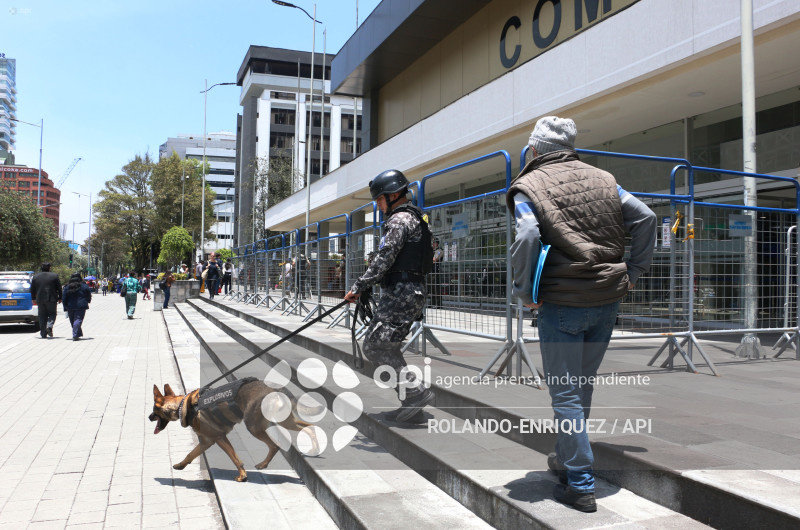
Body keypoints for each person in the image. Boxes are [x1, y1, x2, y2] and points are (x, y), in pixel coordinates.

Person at [506, 116, 657, 513]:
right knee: (581, 386)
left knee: (565, 393)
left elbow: (526, 235)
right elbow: (645, 217)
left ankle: (581, 483)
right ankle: (564, 459)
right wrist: (634, 271)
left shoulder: (529, 185)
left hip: (563, 303)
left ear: (534, 149)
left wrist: (526, 292)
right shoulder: (605, 180)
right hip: (606, 300)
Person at [345, 169, 435, 424]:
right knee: (385, 344)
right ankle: (411, 402)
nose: (378, 204)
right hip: (407, 291)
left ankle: (414, 394)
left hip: (402, 293)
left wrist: (359, 286)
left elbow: (385, 257)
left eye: (380, 199)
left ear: (394, 194)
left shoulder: (399, 220)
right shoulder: (416, 217)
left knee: (375, 345)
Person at [30, 262, 62, 338]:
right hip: (52, 299)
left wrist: (33, 299)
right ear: (49, 268)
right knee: (52, 314)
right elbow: (59, 288)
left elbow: (32, 289)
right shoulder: (54, 276)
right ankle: (49, 326)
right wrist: (60, 297)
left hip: (40, 299)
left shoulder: (35, 277)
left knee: (42, 316)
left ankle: (43, 333)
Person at [62, 273, 92, 341]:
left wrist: (65, 307)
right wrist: (88, 300)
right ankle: (76, 334)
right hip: (81, 306)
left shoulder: (67, 287)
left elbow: (64, 297)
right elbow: (88, 294)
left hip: (70, 306)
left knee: (73, 321)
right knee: (78, 320)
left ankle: (76, 334)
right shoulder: (84, 286)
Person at [430, 238, 444, 308]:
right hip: (431, 271)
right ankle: (432, 303)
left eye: (433, 243)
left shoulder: (439, 251)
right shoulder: (432, 251)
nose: (432, 244)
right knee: (432, 288)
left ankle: (438, 304)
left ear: (436, 244)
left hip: (436, 271)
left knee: (437, 288)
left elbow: (434, 259)